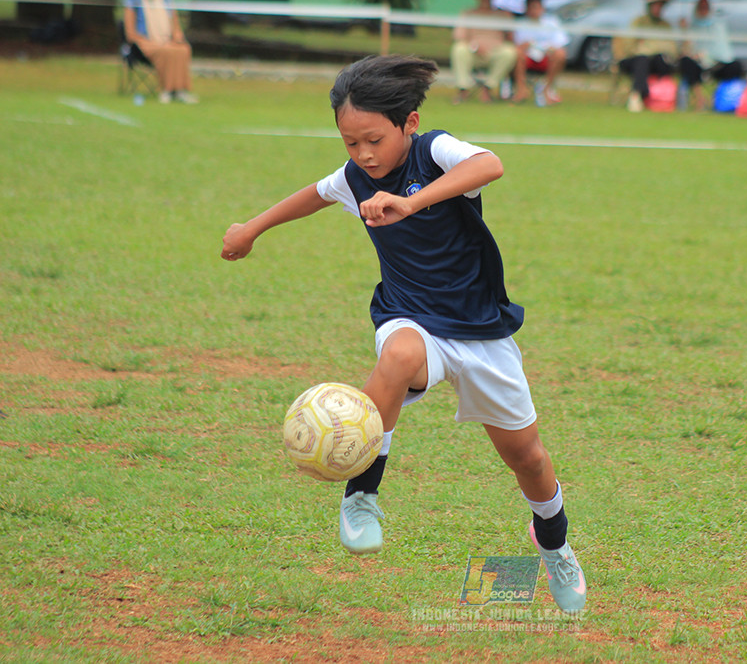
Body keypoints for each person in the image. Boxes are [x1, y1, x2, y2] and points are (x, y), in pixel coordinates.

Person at [220, 55, 587, 615]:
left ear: (408, 124)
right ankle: (362, 493)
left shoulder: (433, 150)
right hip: (410, 316)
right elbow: (314, 195)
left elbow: (490, 164)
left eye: (373, 140)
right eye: (350, 144)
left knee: (528, 458)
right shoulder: (352, 179)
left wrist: (411, 200)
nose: (363, 155)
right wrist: (252, 229)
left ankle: (553, 543)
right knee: (399, 355)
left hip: (480, 332)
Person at [123, 0, 198, 104]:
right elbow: (130, 33)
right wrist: (153, 42)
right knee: (165, 51)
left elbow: (176, 28)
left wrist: (176, 39)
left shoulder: (167, 0)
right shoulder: (133, 1)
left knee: (183, 49)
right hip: (144, 43)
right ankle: (167, 90)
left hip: (166, 41)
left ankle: (180, 90)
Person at [614, 0, 678, 113]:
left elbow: (671, 48)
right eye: (655, 6)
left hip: (656, 61)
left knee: (659, 60)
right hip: (636, 60)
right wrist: (644, 49)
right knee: (642, 60)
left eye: (660, 6)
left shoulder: (665, 26)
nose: (657, 9)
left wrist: (653, 48)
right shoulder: (639, 22)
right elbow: (629, 46)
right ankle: (637, 95)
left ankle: (659, 98)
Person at [678, 0, 743, 111]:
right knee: (686, 63)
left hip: (716, 64)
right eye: (701, 7)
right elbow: (686, 50)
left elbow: (725, 52)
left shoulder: (718, 27)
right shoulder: (690, 26)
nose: (703, 10)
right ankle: (700, 98)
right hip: (697, 64)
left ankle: (719, 98)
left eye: (705, 7)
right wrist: (684, 31)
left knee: (736, 66)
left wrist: (712, 58)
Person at [450, 0, 519, 104]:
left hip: (495, 53)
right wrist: (475, 46)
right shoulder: (468, 13)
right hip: (473, 53)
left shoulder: (503, 15)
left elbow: (511, 39)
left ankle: (488, 88)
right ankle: (463, 89)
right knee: (459, 49)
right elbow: (459, 36)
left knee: (509, 52)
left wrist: (509, 19)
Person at [512, 0, 569, 105]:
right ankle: (521, 89)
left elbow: (561, 43)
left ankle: (547, 88)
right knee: (517, 54)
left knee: (560, 54)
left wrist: (551, 48)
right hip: (528, 57)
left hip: (547, 57)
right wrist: (525, 46)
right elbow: (517, 46)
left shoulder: (552, 22)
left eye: (536, 7)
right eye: (531, 8)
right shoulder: (520, 24)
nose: (534, 11)